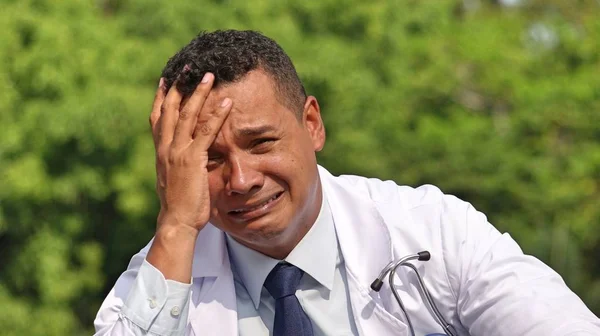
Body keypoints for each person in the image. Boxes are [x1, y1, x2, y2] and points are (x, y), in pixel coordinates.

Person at [94, 30, 600, 336]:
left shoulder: (432, 230)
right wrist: (179, 226)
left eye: (262, 143)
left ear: (311, 124)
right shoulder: (158, 281)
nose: (242, 179)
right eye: (209, 158)